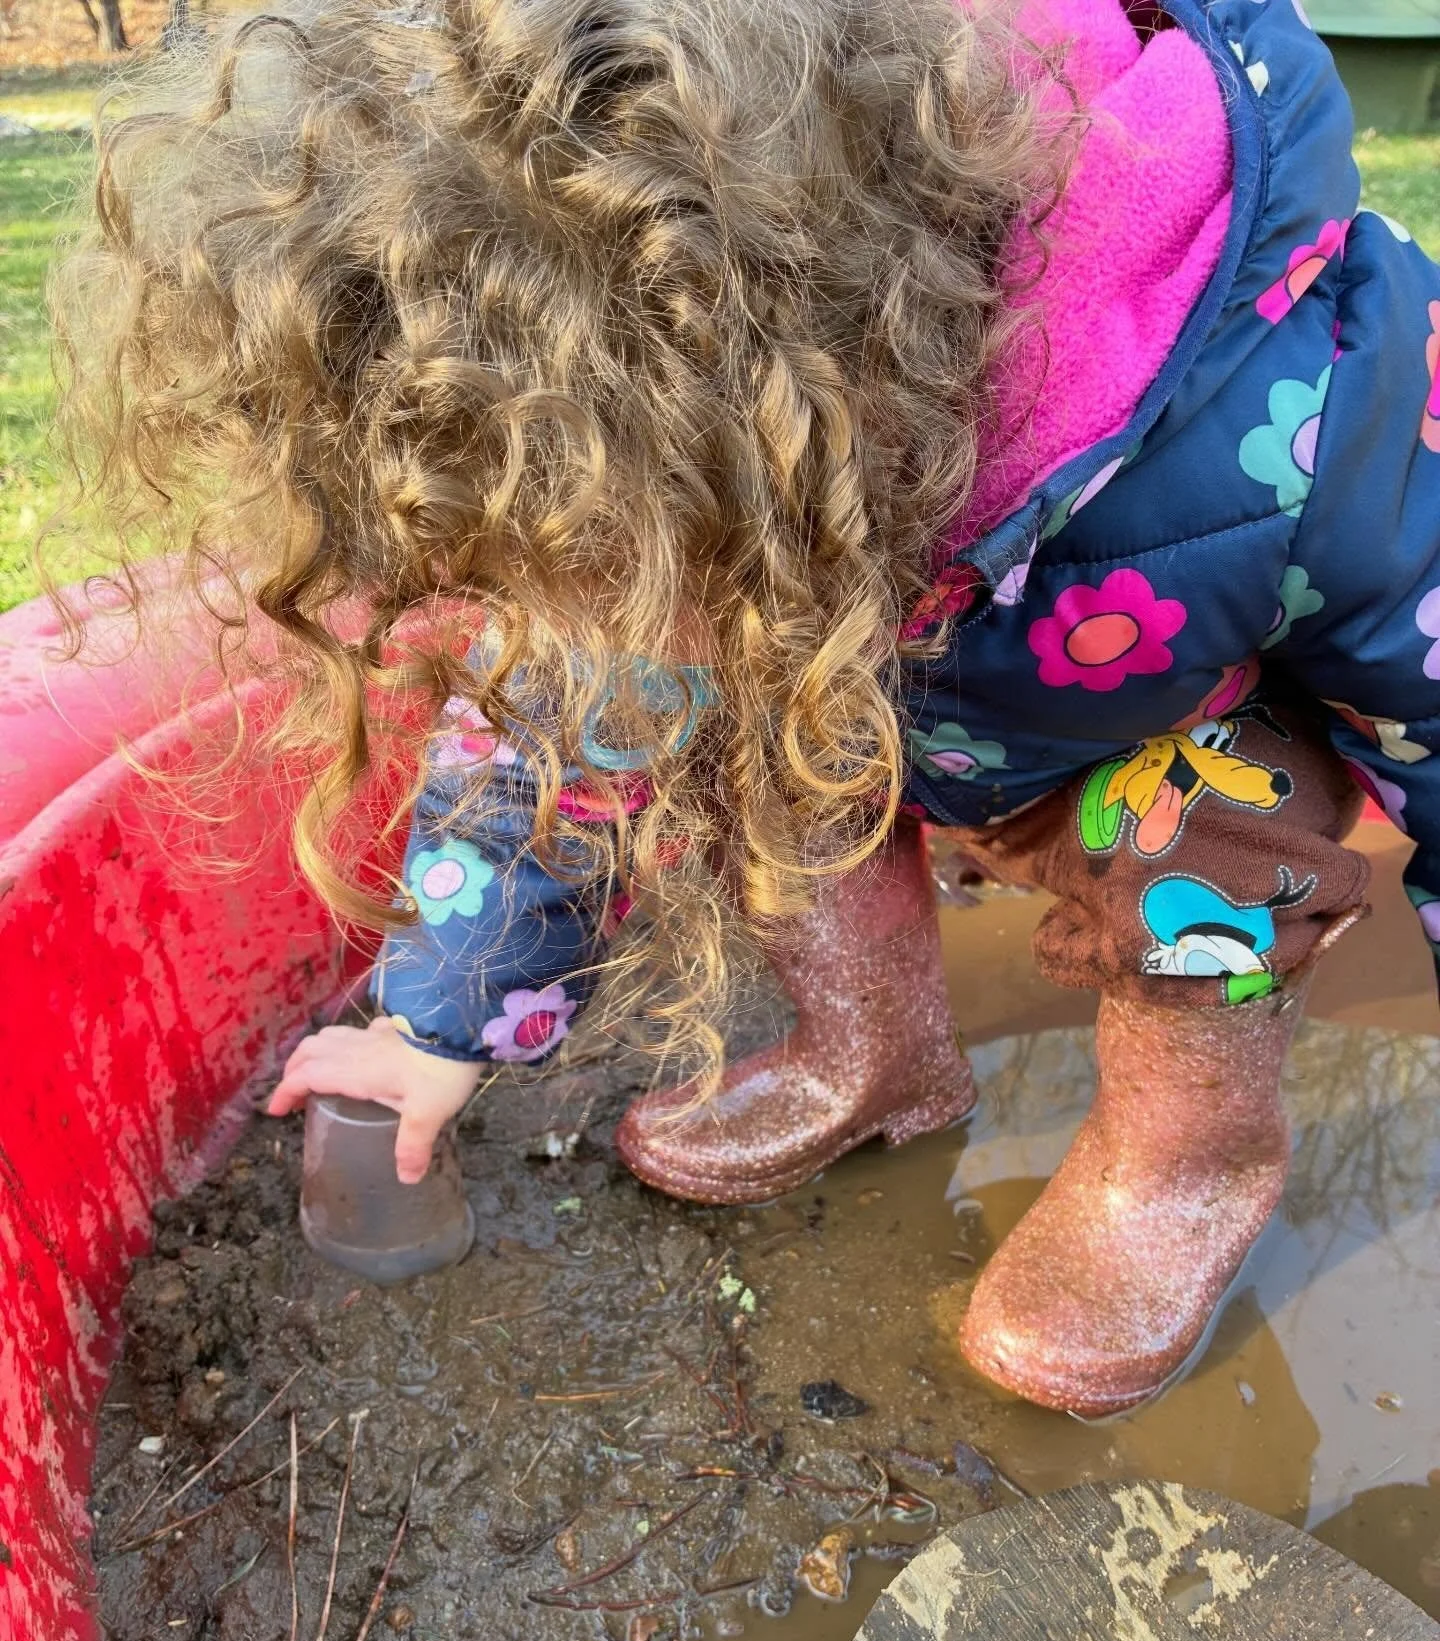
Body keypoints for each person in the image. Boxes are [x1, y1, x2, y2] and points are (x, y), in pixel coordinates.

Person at [52, 0, 1440, 1418]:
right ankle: (874, 1051)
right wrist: (431, 1025)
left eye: (609, 568)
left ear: (796, 409)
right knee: (745, 723)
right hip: (913, 708)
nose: (591, 620)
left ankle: (1183, 1166)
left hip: (1175, 734)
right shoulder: (652, 461)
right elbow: (555, 721)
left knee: (1197, 840)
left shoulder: (1291, 402)